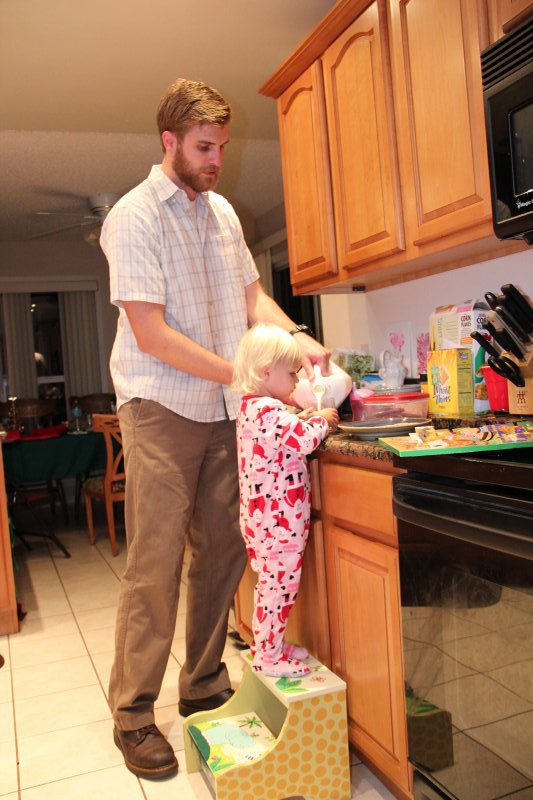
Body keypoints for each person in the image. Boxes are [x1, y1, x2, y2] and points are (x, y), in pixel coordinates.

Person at [100, 77, 330, 780]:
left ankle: (202, 682)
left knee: (224, 548)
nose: (217, 160)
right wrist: (246, 374)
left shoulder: (223, 213)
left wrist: (296, 340)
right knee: (156, 559)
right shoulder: (134, 217)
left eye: (222, 147)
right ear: (169, 141)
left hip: (227, 410)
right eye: (204, 147)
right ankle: (133, 714)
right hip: (161, 405)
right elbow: (151, 334)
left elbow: (251, 298)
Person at [233, 323, 339, 677]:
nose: (297, 380)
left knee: (271, 589)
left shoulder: (254, 408)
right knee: (278, 590)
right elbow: (304, 441)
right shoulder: (268, 410)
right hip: (278, 524)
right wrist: (321, 420)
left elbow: (284, 433)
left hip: (264, 520)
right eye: (292, 373)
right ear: (266, 371)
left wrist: (303, 417)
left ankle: (269, 645)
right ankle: (268, 657)